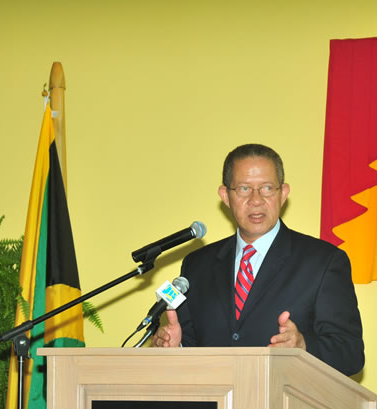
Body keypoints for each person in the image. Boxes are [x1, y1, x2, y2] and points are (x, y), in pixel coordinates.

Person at [153, 143, 365, 375]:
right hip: (215, 406)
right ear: (225, 196)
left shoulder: (323, 262)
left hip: (285, 406)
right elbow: (194, 346)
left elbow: (351, 353)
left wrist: (303, 347)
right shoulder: (197, 265)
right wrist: (176, 348)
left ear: (283, 194)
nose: (256, 200)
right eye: (244, 189)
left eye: (266, 188)